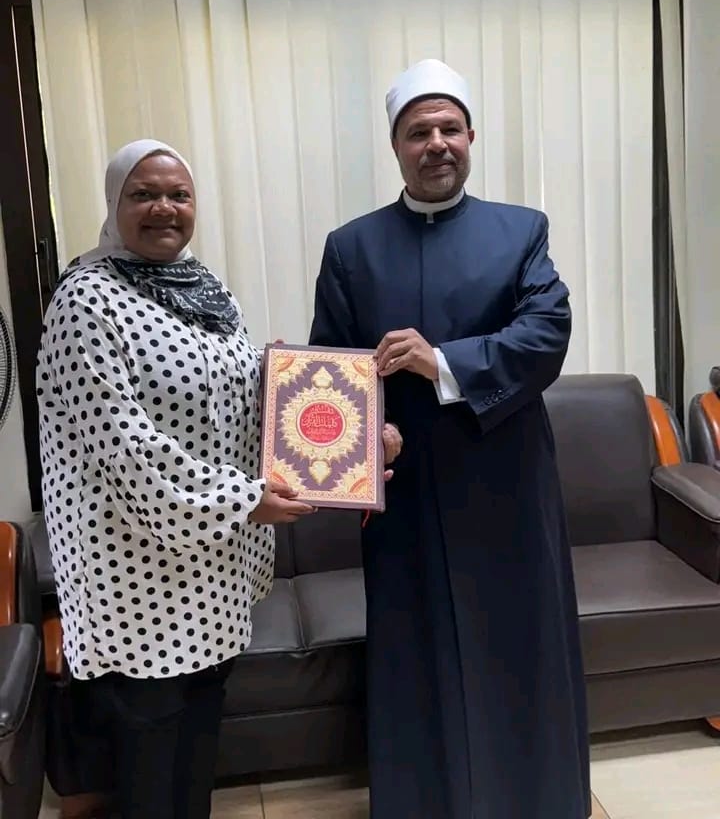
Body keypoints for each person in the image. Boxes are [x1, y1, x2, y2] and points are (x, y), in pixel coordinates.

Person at [309, 59, 590, 819]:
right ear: (395, 147)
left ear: (470, 137)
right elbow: (331, 370)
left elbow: (546, 334)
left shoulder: (521, 230)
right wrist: (366, 438)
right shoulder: (351, 247)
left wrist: (440, 361)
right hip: (405, 495)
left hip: (506, 483)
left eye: (449, 128)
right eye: (418, 132)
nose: (436, 143)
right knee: (416, 655)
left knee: (519, 649)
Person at [36, 140, 316, 819]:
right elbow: (126, 447)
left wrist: (289, 387)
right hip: (138, 582)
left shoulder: (205, 289)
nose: (164, 208)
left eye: (178, 195)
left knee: (196, 742)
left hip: (213, 577)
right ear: (115, 204)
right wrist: (244, 499)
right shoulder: (86, 301)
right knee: (152, 761)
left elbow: (234, 395)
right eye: (144, 194)